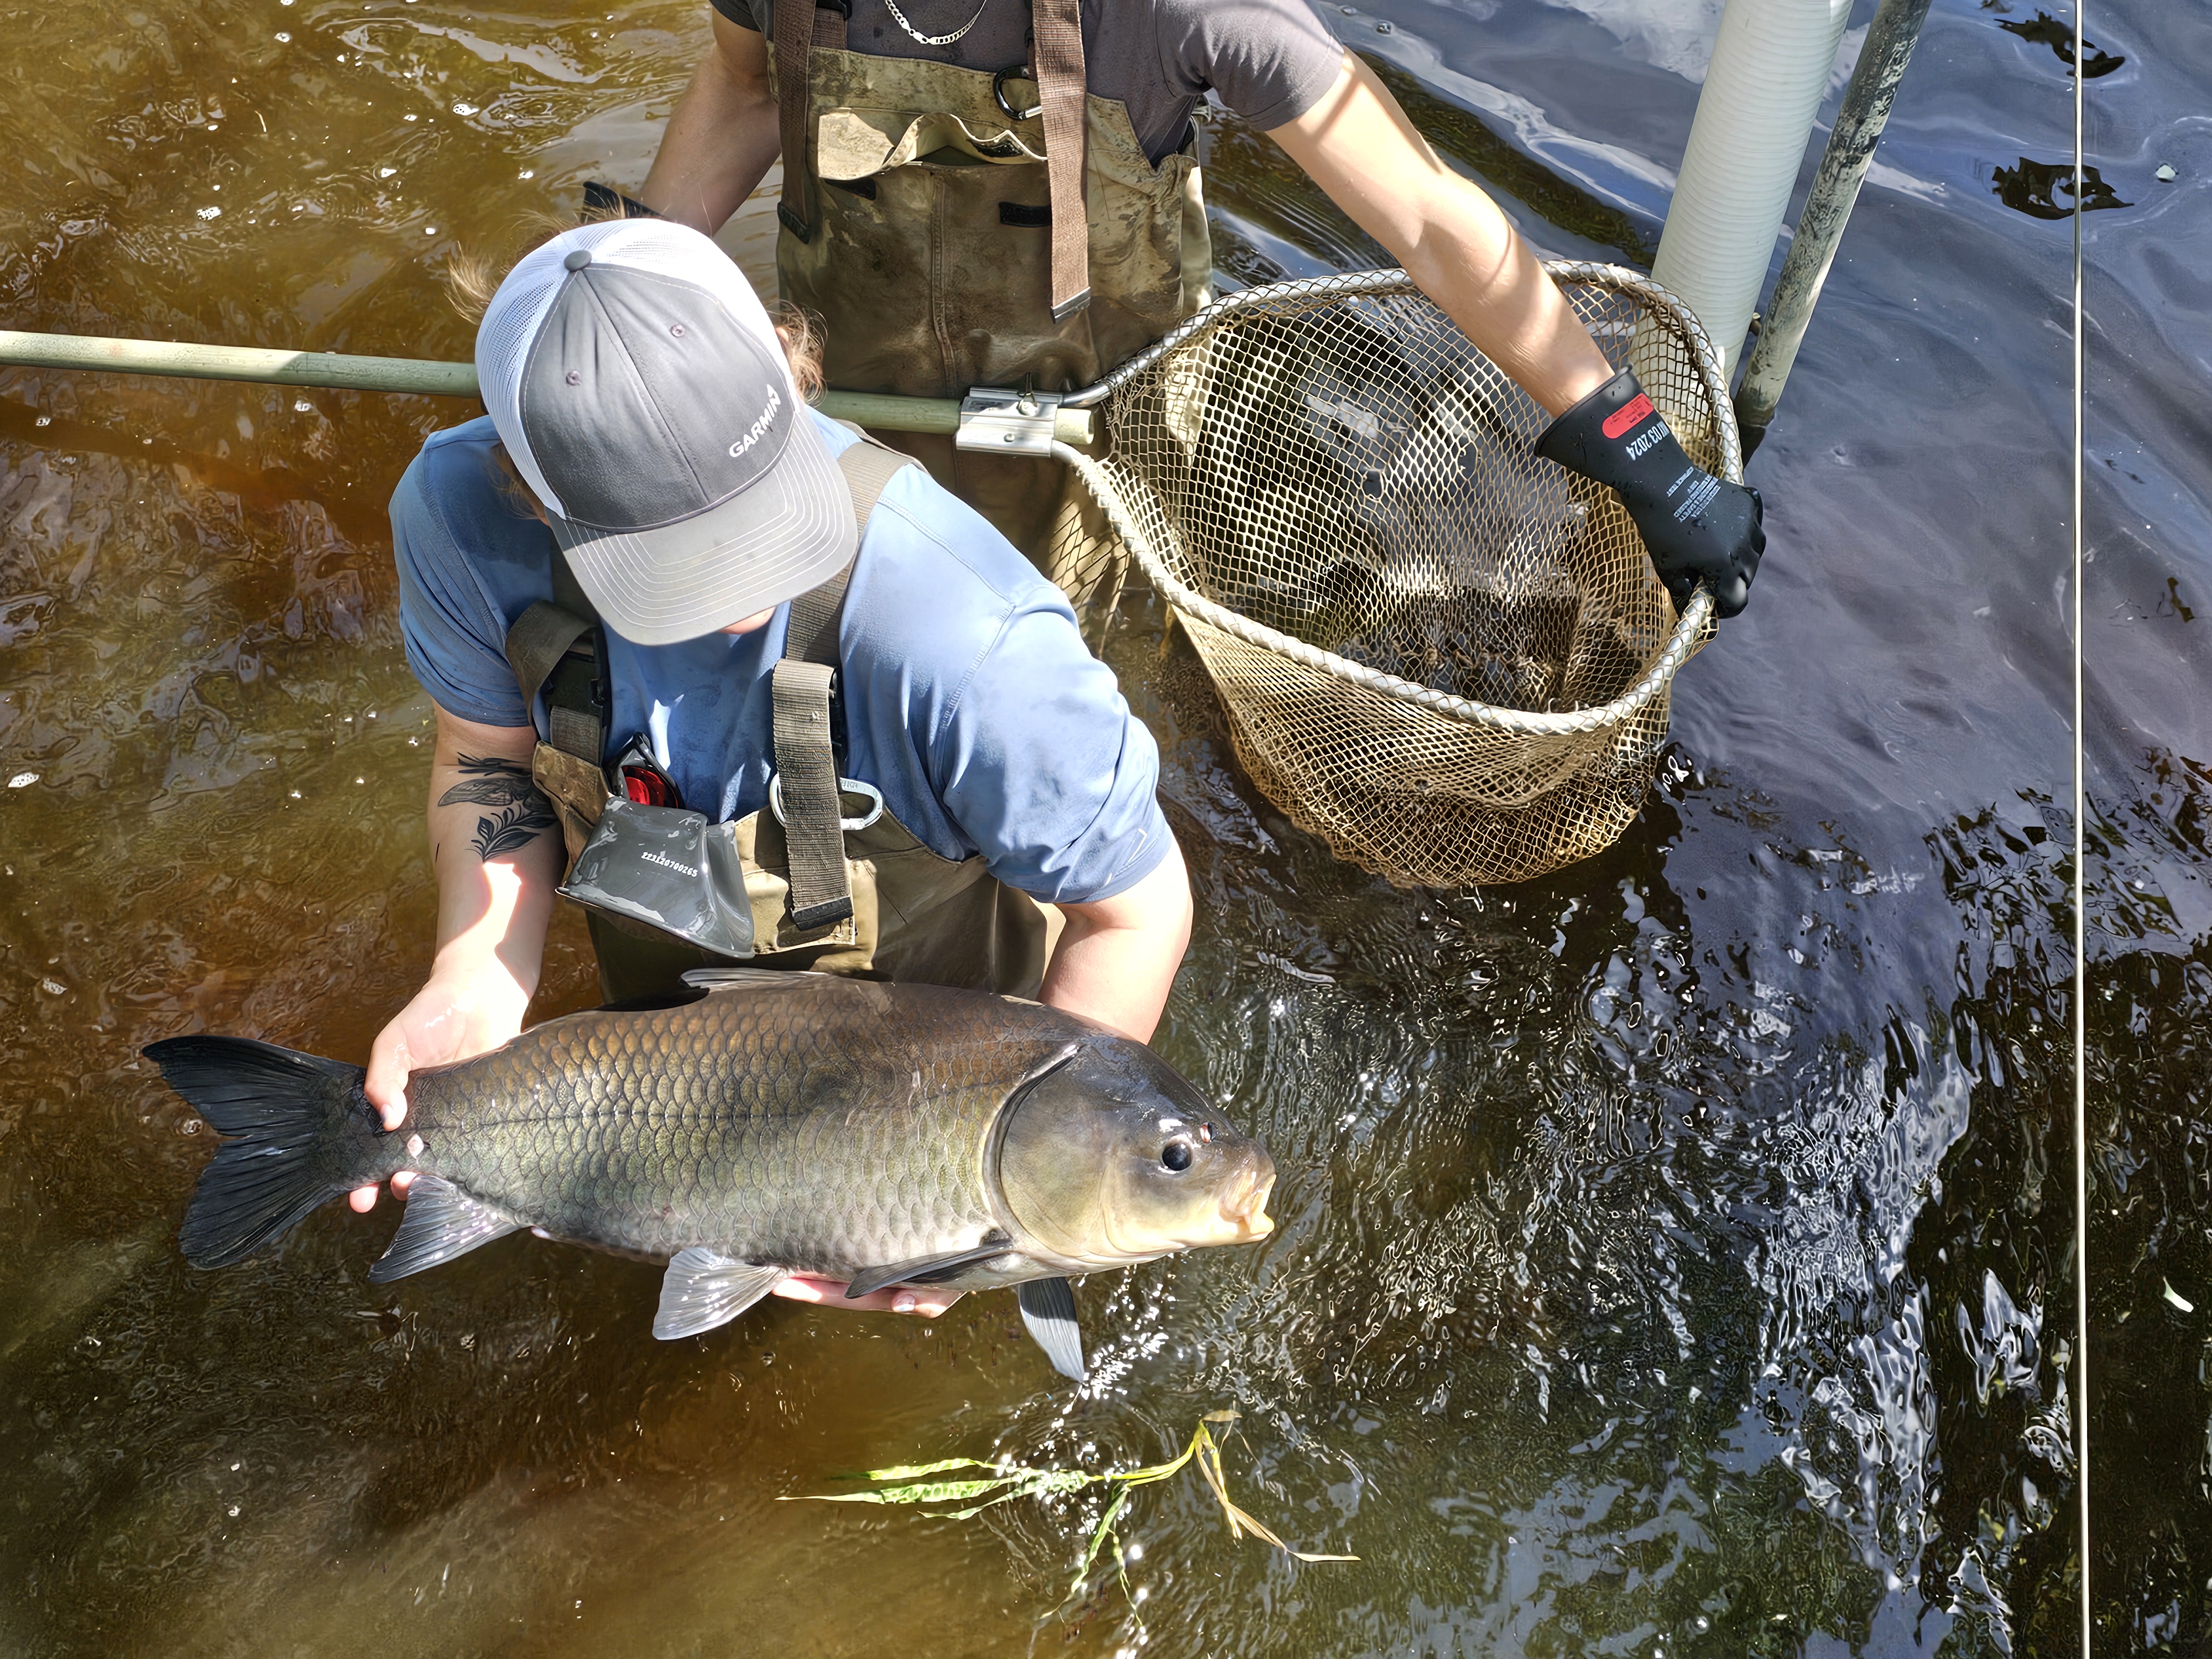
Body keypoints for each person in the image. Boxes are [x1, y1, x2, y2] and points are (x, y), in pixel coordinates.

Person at [353, 216, 1193, 1317]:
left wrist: (1007, 1208)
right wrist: (474, 974)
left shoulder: (968, 645)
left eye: (763, 513)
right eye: (679, 557)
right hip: (677, 1050)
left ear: (794, 378)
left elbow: (1135, 911)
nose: (746, 581)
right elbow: (486, 760)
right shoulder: (455, 514)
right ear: (529, 489)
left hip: (935, 1061)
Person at [634, 0, 1764, 618]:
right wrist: (615, 315)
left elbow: (1428, 218)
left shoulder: (1189, 13)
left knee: (1070, 661)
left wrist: (1643, 453)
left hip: (1088, 421)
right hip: (848, 394)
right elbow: (739, 88)